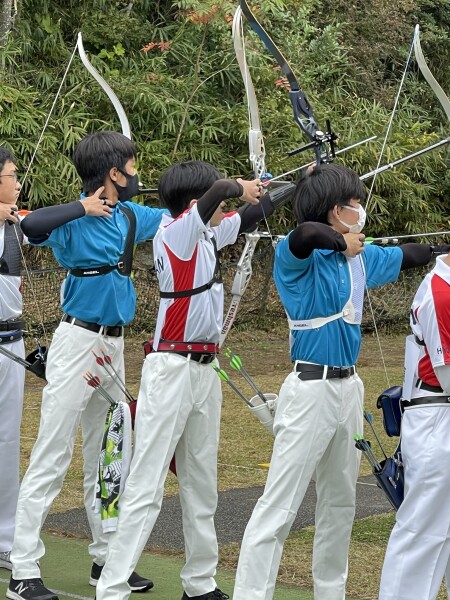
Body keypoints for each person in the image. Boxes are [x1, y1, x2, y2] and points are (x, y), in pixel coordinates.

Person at [232, 163, 450, 600]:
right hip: (310, 388)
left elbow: (405, 255)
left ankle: (330, 594)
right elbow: (305, 235)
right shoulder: (298, 257)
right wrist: (341, 242)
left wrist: (439, 248)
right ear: (336, 210)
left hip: (349, 390)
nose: (360, 210)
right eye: (354, 204)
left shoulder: (360, 257)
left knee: (339, 505)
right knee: (279, 506)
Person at [94, 160, 291, 600]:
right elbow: (223, 190)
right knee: (146, 484)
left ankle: (199, 584)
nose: (225, 209)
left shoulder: (205, 233)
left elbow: (253, 212)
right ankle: (111, 587)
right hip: (171, 368)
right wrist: (238, 186)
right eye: (215, 202)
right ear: (195, 202)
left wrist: (301, 181)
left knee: (202, 483)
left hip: (205, 369)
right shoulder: (176, 232)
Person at [7, 131, 166, 600]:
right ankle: (23, 569)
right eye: (132, 167)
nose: (138, 175)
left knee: (112, 453)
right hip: (77, 342)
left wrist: (237, 192)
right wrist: (84, 208)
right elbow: (29, 226)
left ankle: (107, 558)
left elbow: (186, 215)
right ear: (114, 173)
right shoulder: (73, 218)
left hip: (113, 348)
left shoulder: (133, 214)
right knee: (53, 454)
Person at [379, 251, 450, 600]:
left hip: (437, 412)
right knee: (422, 531)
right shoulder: (441, 292)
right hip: (438, 415)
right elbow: (448, 375)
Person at [0, 147, 28, 573]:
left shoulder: (18, 223)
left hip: (9, 342)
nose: (19, 182)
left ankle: (6, 539)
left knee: (6, 442)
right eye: (11, 174)